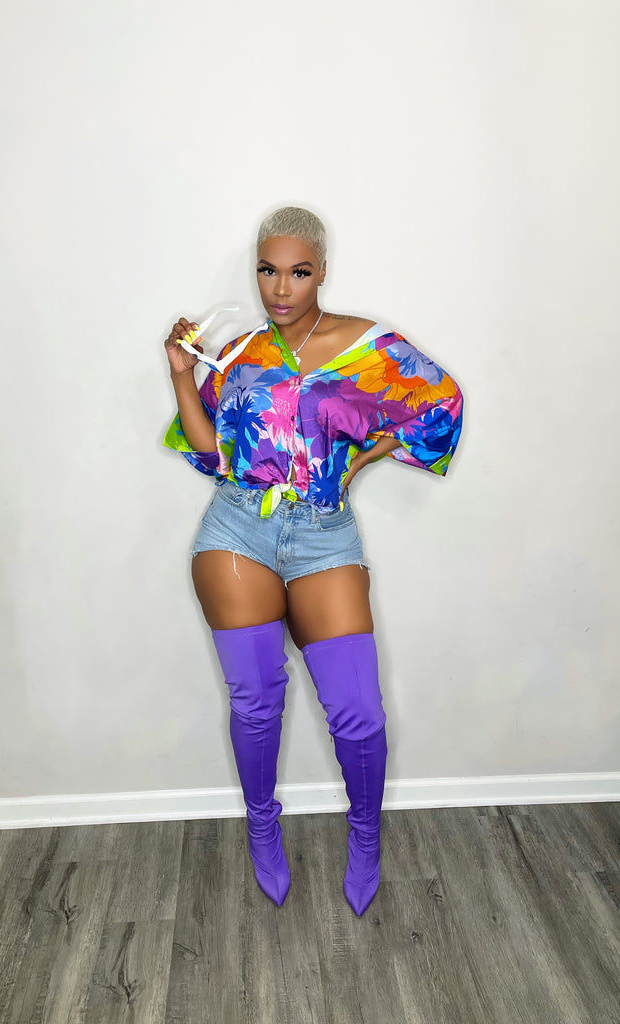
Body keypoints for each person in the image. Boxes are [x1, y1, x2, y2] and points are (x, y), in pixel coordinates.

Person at [162, 207, 463, 915]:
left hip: (323, 535)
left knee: (358, 712)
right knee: (256, 701)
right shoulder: (239, 352)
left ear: (321, 271)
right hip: (237, 529)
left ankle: (366, 834)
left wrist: (363, 458)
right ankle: (261, 825)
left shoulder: (364, 344)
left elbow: (439, 402)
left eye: (298, 272)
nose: (280, 287)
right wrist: (180, 373)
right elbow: (210, 450)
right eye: (267, 270)